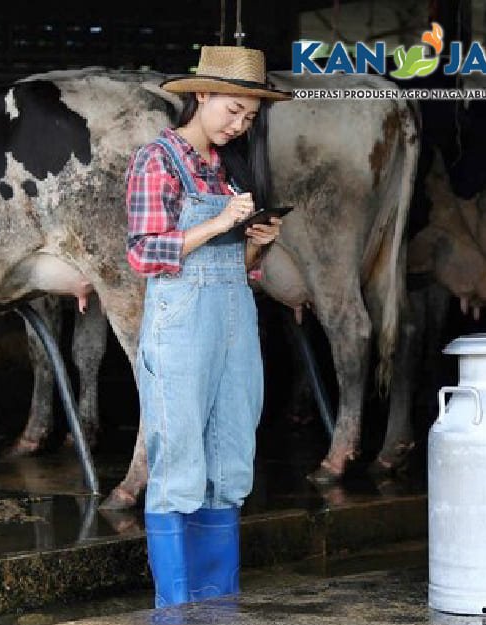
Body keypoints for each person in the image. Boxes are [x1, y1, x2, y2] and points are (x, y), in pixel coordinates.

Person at [124, 45, 290, 608]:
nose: (240, 124)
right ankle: (176, 606)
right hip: (180, 325)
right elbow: (145, 254)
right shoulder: (157, 160)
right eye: (232, 110)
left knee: (229, 455)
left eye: (249, 117)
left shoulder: (228, 171)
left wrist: (253, 245)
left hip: (233, 321)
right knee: (179, 457)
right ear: (200, 96)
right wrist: (220, 221)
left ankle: (217, 605)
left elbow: (232, 268)